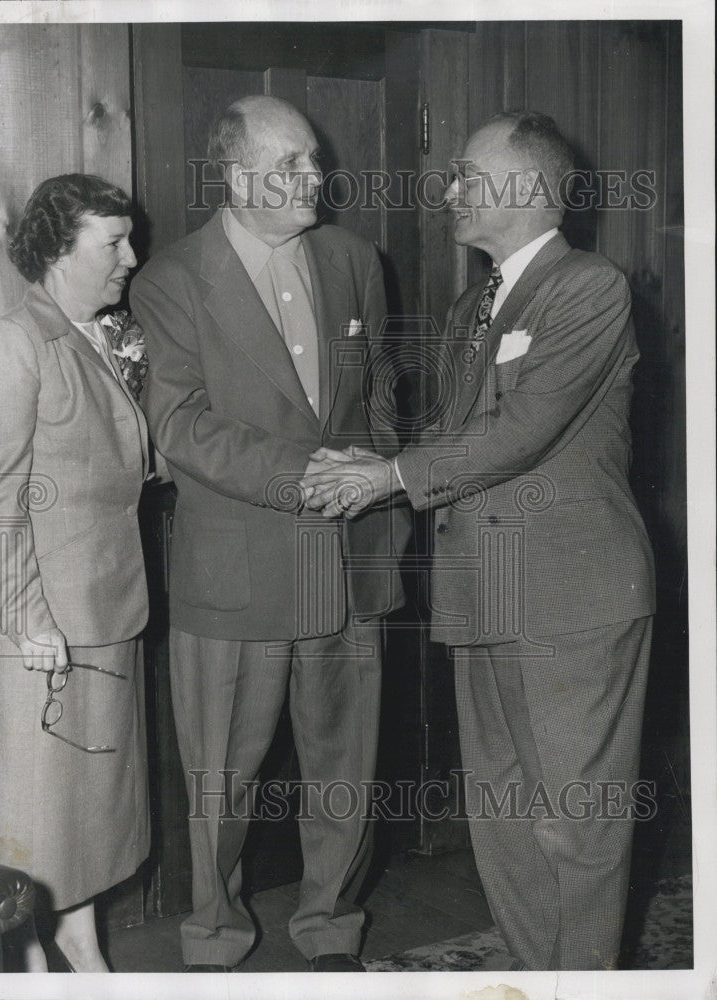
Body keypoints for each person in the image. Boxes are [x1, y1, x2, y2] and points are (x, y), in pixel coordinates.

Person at [302, 111, 656, 971]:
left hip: (568, 596)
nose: (448, 189)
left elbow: (520, 430)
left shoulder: (588, 287)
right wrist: (376, 458)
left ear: (529, 190)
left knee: (573, 821)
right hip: (478, 589)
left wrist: (388, 479)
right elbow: (457, 436)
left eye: (466, 174)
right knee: (500, 814)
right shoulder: (473, 304)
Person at [130, 95, 409, 973]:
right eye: (290, 165)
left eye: (314, 159)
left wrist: (381, 482)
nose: (314, 178)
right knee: (221, 782)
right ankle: (213, 941)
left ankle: (330, 932)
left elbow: (380, 396)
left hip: (350, 561)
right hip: (236, 574)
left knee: (346, 771)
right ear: (237, 176)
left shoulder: (357, 259)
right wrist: (306, 477)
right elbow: (180, 425)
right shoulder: (171, 279)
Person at [0, 174, 150, 972]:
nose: (131, 258)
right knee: (35, 816)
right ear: (58, 251)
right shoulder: (14, 341)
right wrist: (27, 616)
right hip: (45, 627)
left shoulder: (92, 333)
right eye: (113, 243)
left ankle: (74, 936)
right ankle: (31, 956)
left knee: (87, 813)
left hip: (103, 612)